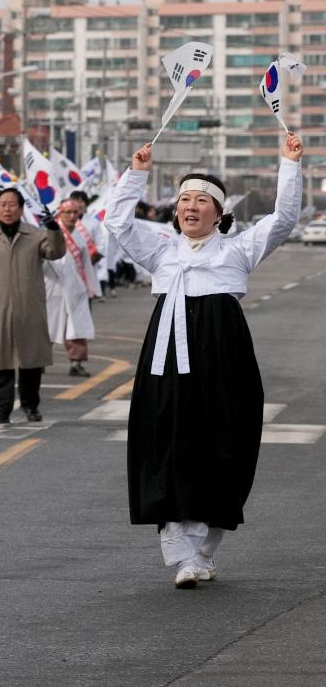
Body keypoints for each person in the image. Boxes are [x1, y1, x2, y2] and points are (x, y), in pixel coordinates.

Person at [106, 135, 302, 589]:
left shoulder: (237, 249)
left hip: (222, 354)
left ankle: (203, 552)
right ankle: (183, 556)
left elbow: (283, 219)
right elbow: (117, 220)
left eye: (201, 201)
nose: (190, 207)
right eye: (184, 200)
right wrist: (136, 174)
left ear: (219, 212)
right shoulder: (160, 250)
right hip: (167, 357)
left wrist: (289, 165)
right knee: (166, 442)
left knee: (220, 443)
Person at [0, 187, 65, 424]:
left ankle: (30, 406)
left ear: (21, 208)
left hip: (30, 310)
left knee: (30, 362)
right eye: (3, 204)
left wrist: (53, 229)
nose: (7, 209)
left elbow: (55, 253)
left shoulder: (36, 236)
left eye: (12, 204)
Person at [45, 198, 100, 377]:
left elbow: (87, 265)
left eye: (75, 213)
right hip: (53, 287)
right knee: (46, 326)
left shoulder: (81, 235)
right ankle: (39, 361)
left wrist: (92, 288)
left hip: (76, 287)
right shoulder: (51, 232)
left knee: (77, 327)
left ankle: (76, 363)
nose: (71, 216)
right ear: (60, 213)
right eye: (67, 212)